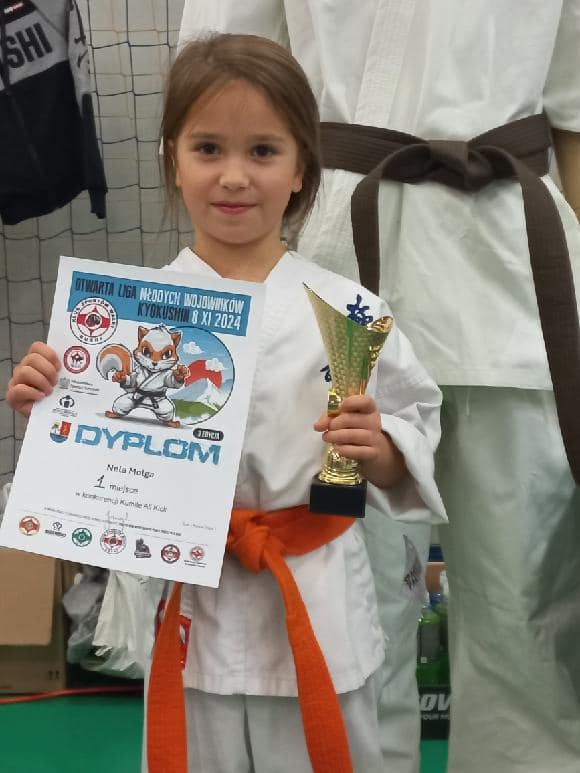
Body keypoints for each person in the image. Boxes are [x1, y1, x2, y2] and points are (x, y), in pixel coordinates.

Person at [6, 34, 446, 773]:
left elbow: (417, 428)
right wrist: (55, 402)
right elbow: (94, 475)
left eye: (263, 151)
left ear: (301, 168)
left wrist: (385, 449)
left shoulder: (351, 313)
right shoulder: (127, 316)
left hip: (315, 597)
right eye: (208, 148)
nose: (234, 176)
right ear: (172, 161)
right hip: (192, 605)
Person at [177, 5, 580, 773]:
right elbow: (223, 69)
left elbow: (575, 113)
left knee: (524, 609)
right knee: (346, 605)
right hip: (337, 292)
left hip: (516, 285)